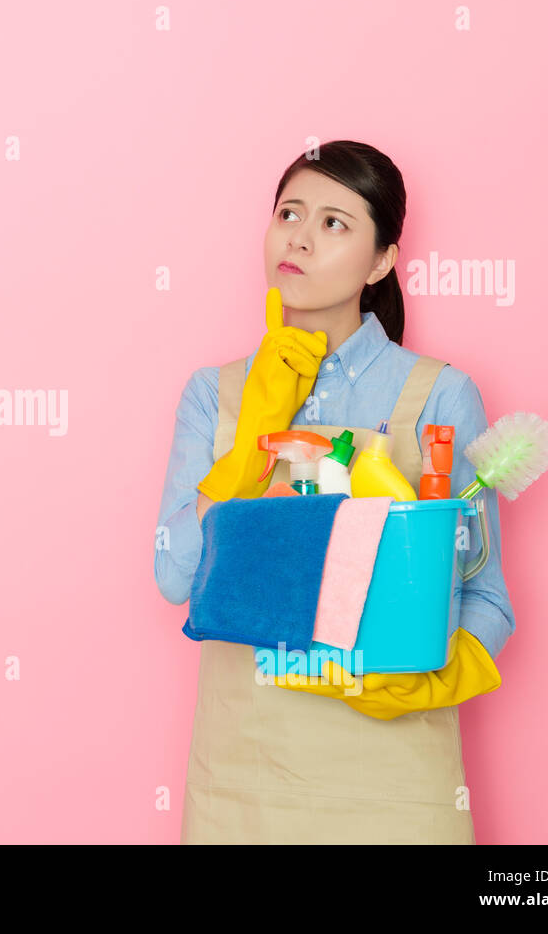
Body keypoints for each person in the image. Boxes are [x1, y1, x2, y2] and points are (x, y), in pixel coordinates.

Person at [154, 140, 515, 844]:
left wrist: (440, 677)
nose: (300, 235)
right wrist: (249, 440)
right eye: (290, 212)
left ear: (382, 260)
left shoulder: (439, 393)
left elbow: (488, 595)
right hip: (245, 786)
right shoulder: (215, 395)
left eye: (334, 222)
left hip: (397, 783)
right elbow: (174, 576)